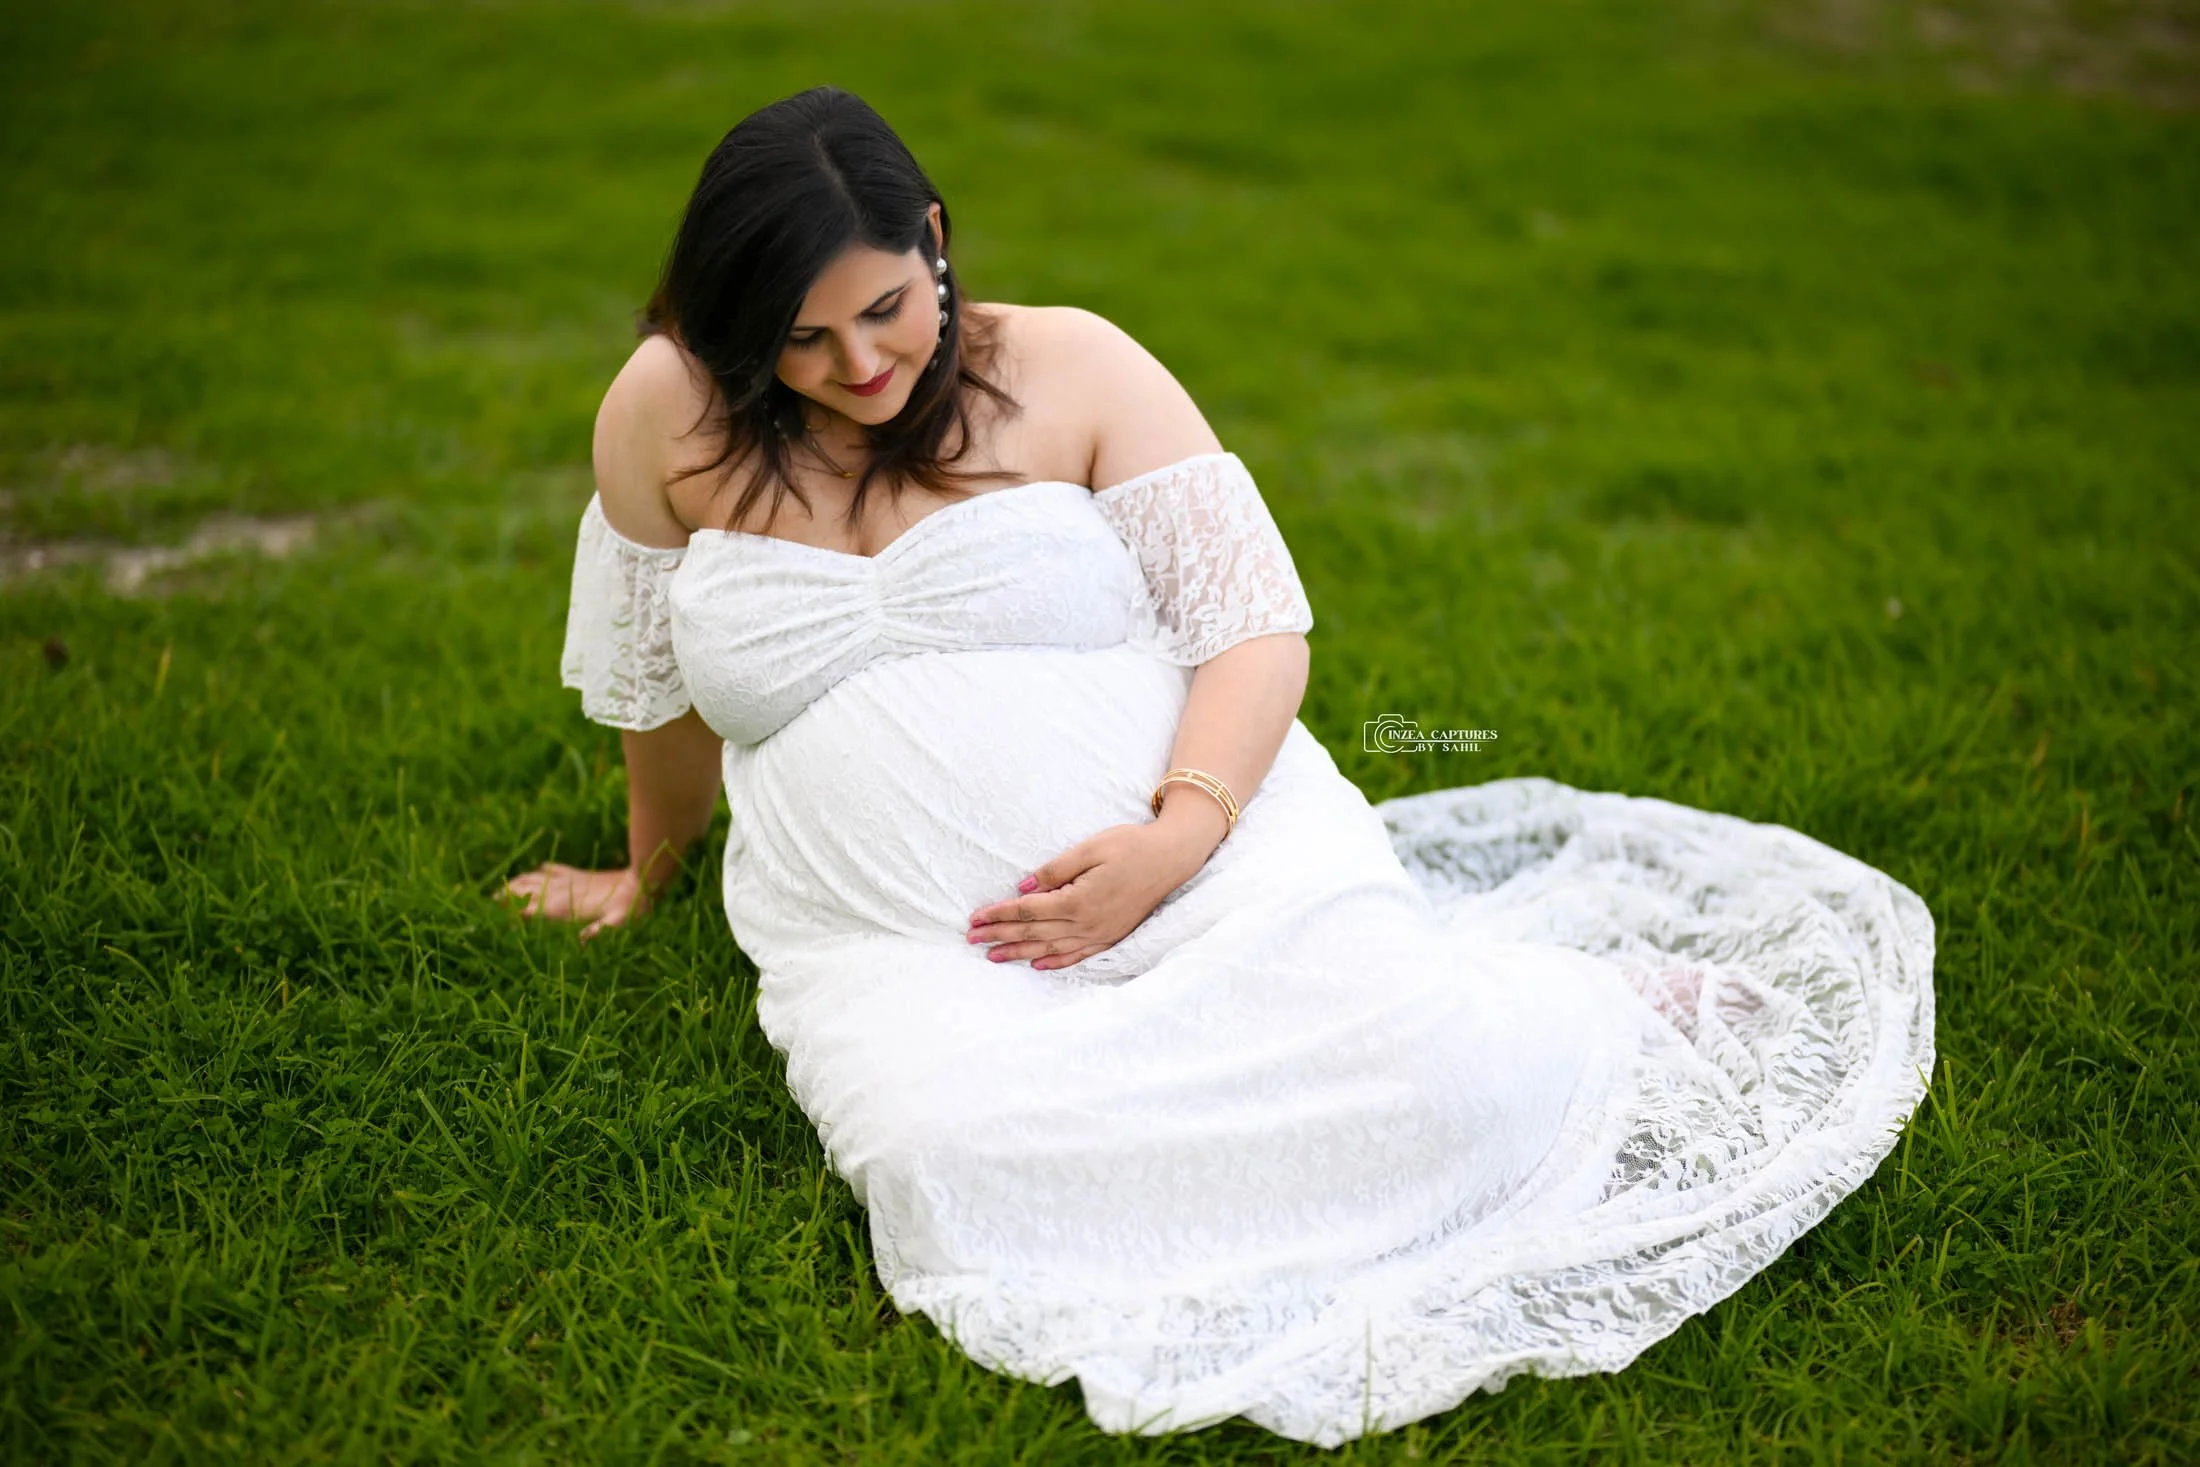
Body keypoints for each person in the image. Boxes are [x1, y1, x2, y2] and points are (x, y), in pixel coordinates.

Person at [502, 85, 1937, 1447]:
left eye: (882, 309)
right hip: (908, 940)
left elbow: (1256, 626)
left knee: (1447, 1080)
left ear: (933, 237)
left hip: (1201, 848)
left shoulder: (1067, 365)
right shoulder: (665, 417)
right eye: (802, 342)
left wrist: (1176, 841)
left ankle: (1586, 1010)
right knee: (949, 1158)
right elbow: (659, 694)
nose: (862, 367)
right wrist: (651, 870)